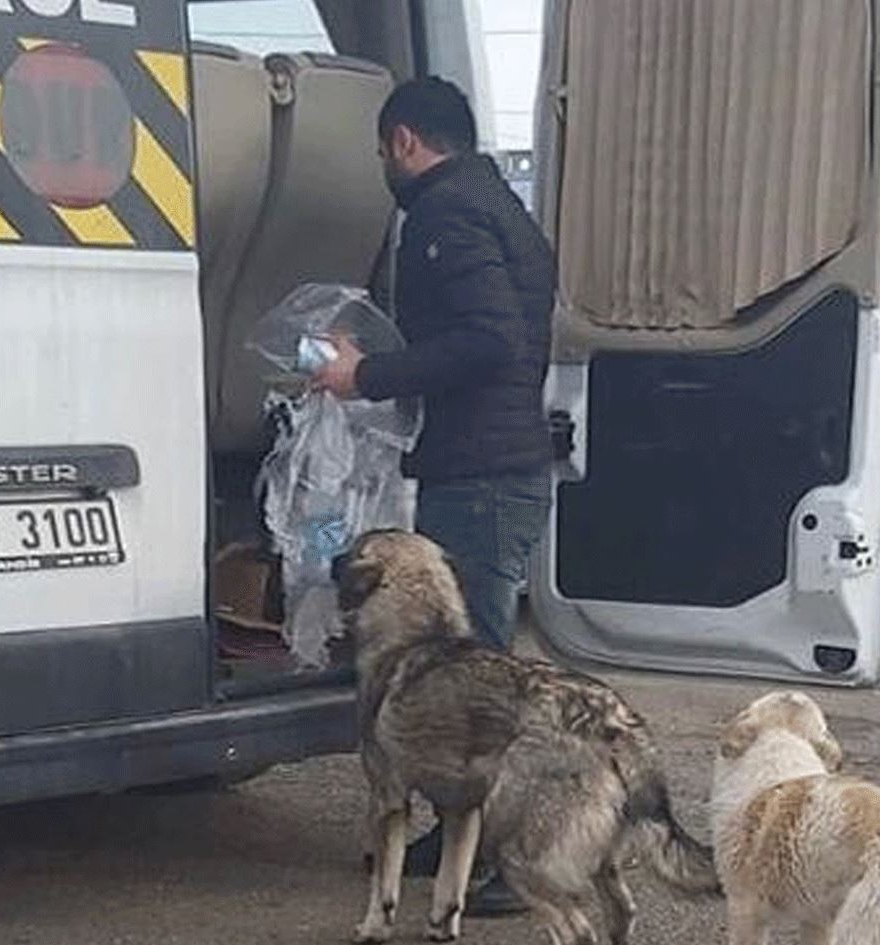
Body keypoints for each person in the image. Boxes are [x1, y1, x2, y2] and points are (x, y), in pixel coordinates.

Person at [312, 76, 554, 916]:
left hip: (483, 476)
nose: (387, 165)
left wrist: (365, 374)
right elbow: (475, 326)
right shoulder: (494, 202)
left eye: (385, 151)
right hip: (496, 466)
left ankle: (506, 861)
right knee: (473, 675)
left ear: (406, 141)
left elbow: (485, 341)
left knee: (481, 684)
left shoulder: (447, 214)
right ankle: (458, 837)